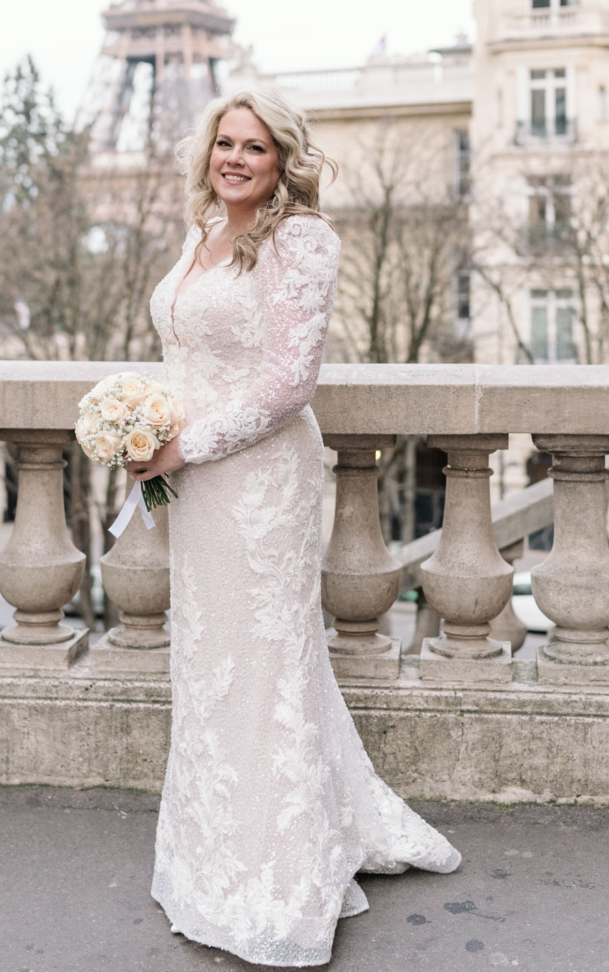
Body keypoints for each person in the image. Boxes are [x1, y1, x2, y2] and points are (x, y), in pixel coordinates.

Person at [129, 89, 460, 967]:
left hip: (257, 478)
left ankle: (277, 865)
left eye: (256, 148)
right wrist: (143, 426)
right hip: (194, 479)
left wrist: (181, 446)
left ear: (283, 163)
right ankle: (216, 841)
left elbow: (287, 386)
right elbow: (189, 355)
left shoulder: (300, 241)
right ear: (207, 152)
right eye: (224, 143)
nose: (234, 158)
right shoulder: (201, 236)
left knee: (264, 657)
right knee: (210, 656)